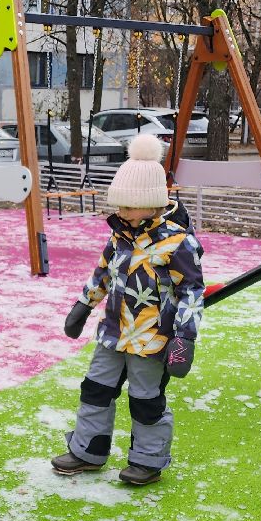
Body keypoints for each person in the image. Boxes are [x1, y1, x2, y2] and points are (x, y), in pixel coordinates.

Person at [52, 133, 204, 486]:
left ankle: (147, 460)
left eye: (128, 206)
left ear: (151, 203)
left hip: (151, 338)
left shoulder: (178, 243)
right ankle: (87, 449)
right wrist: (83, 305)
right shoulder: (119, 236)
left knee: (146, 399)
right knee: (95, 389)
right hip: (112, 332)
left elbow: (192, 292)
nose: (120, 212)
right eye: (118, 206)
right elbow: (103, 272)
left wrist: (185, 338)